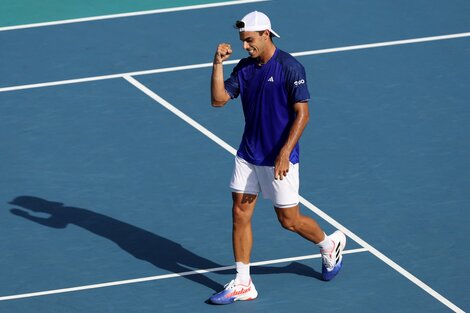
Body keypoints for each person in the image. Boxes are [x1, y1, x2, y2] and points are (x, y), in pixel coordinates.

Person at [209, 11, 346, 305]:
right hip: (249, 155)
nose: (245, 46)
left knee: (289, 220)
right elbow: (219, 100)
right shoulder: (244, 69)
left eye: (249, 40)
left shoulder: (290, 67)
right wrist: (217, 64)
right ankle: (243, 283)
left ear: (266, 35)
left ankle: (329, 243)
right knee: (239, 213)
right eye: (243, 41)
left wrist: (284, 153)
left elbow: (303, 114)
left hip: (279, 159)